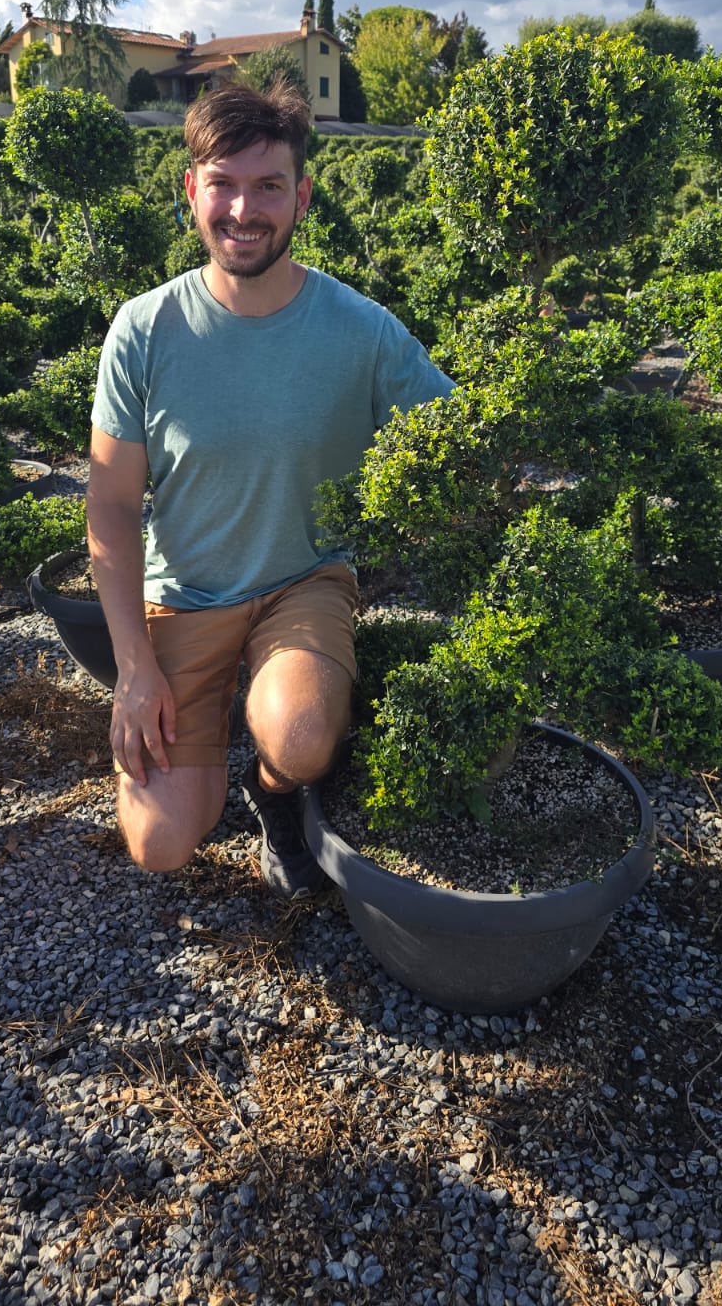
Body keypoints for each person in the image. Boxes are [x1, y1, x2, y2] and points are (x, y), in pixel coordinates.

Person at [87, 82, 454, 899]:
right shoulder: (145, 329)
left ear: (302, 196)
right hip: (185, 594)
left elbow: (463, 438)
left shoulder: (360, 328)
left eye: (268, 187)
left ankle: (274, 787)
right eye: (223, 183)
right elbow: (111, 507)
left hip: (304, 580)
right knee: (161, 843)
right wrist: (134, 668)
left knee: (300, 735)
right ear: (192, 190)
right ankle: (205, 713)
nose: (243, 210)